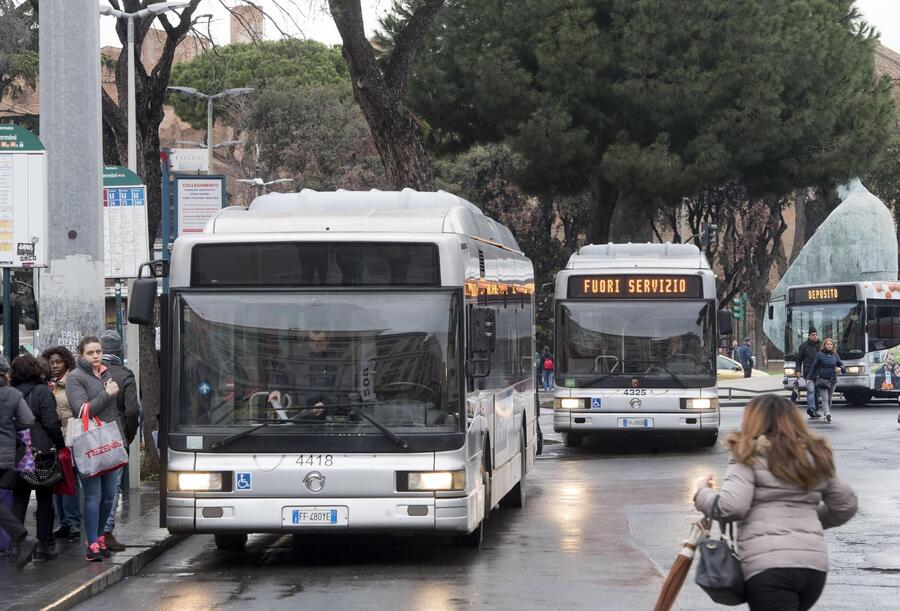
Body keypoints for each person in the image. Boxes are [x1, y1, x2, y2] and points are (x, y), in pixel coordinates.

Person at [694, 394, 857, 611]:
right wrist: (806, 518)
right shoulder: (813, 455)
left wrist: (701, 492)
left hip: (770, 569)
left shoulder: (748, 454)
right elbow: (845, 505)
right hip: (813, 570)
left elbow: (731, 507)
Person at [65, 336, 122, 562]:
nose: (96, 356)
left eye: (98, 351)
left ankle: (99, 537)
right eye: (90, 353)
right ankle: (91, 543)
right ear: (81, 354)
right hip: (89, 443)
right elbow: (82, 410)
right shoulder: (76, 378)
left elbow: (112, 411)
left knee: (109, 496)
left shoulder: (105, 372)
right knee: (93, 496)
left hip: (109, 440)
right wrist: (107, 393)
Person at [10, 354, 65, 561]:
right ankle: (45, 545)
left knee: (20, 497)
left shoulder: (11, 392)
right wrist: (60, 444)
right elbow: (51, 422)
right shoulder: (42, 391)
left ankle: (18, 546)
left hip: (18, 449)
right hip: (41, 450)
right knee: (44, 497)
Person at [99, 330, 141, 552]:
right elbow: (133, 411)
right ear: (119, 351)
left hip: (93, 438)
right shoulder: (125, 375)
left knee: (92, 489)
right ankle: (106, 532)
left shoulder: (89, 373)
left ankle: (93, 533)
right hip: (117, 438)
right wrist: (129, 435)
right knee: (113, 487)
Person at [0, 354, 38, 568]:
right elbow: (28, 420)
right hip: (6, 456)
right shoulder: (12, 394)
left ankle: (22, 538)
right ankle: (22, 538)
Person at [41, 345, 82, 541]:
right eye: (51, 363)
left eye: (59, 362)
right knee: (57, 478)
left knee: (70, 478)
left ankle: (73, 522)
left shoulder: (72, 381)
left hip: (71, 436)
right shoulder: (47, 384)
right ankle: (64, 522)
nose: (55, 366)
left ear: (66, 362)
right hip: (54, 437)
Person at [808, 338, 845, 423]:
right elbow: (813, 367)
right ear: (824, 345)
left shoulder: (835, 355)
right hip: (822, 380)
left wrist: (840, 368)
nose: (829, 346)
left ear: (833, 346)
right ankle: (828, 413)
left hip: (832, 380)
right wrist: (809, 379)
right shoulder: (819, 354)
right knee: (825, 398)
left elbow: (842, 365)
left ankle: (826, 413)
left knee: (829, 398)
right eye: (827, 344)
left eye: (830, 344)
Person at [796, 328, 821, 418]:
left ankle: (815, 410)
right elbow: (798, 360)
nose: (815, 336)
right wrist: (798, 370)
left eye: (816, 334)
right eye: (813, 335)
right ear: (809, 336)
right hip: (808, 373)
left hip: (819, 373)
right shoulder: (804, 346)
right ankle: (811, 408)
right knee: (811, 390)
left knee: (817, 392)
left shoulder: (821, 345)